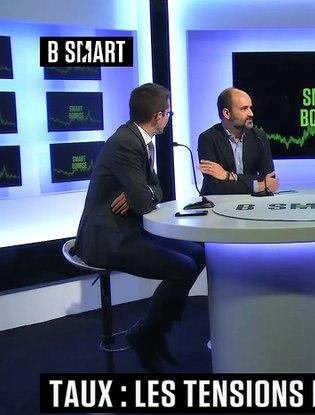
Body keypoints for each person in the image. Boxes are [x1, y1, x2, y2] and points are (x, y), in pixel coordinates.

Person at [75, 83, 206, 373]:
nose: (169, 117)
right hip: (107, 238)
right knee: (183, 267)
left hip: (127, 228)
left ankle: (155, 332)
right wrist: (141, 194)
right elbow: (145, 202)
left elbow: (156, 189)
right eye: (169, 113)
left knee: (198, 253)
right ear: (158, 116)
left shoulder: (139, 139)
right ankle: (147, 335)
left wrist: (140, 192)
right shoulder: (126, 142)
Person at [198, 87, 278, 195]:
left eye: (250, 108)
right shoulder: (207, 139)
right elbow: (214, 185)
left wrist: (228, 176)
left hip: (253, 200)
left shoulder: (258, 136)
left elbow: (270, 179)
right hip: (218, 200)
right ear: (227, 113)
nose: (251, 113)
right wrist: (257, 186)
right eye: (244, 109)